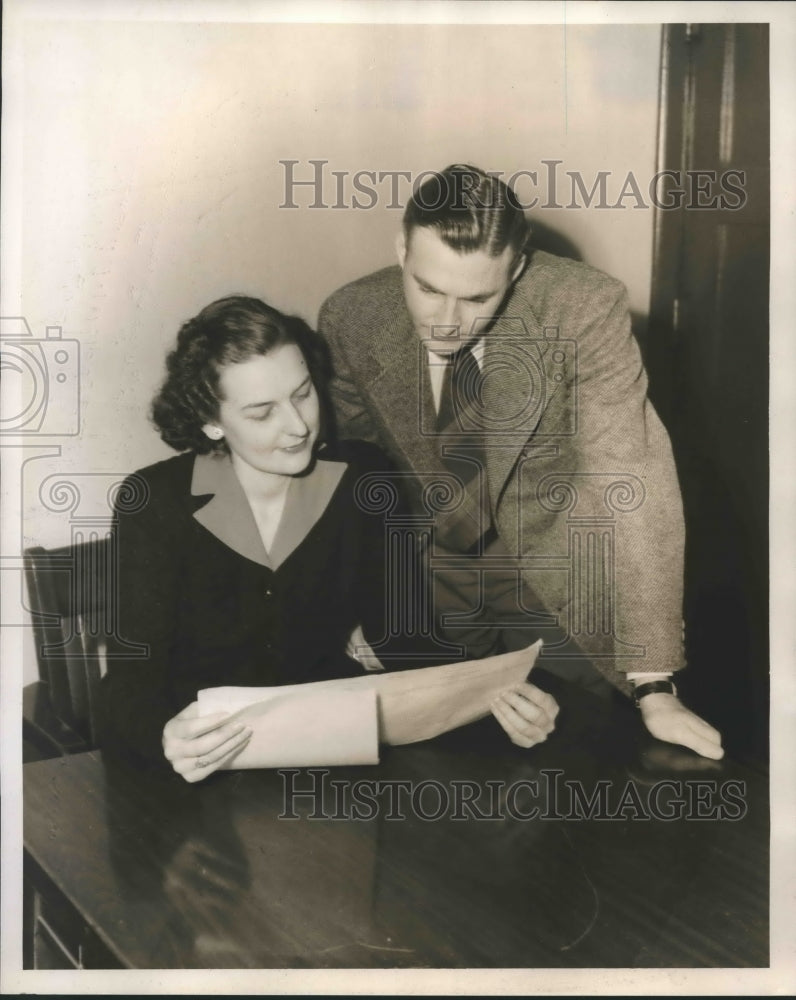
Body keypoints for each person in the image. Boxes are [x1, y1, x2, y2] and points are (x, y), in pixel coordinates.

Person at [318, 164, 724, 761]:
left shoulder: (583, 308)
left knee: (593, 762)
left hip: (553, 572)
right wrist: (346, 609)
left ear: (519, 267)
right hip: (425, 583)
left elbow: (633, 477)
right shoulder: (351, 316)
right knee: (440, 782)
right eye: (428, 288)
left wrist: (653, 681)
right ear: (401, 249)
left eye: (478, 297)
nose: (447, 321)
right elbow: (350, 472)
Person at [101, 295, 557, 781]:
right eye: (261, 413)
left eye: (302, 394)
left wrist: (494, 702)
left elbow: (408, 639)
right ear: (211, 421)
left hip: (331, 752)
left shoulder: (364, 480)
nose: (298, 427)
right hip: (203, 764)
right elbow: (129, 683)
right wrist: (163, 736)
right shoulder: (154, 501)